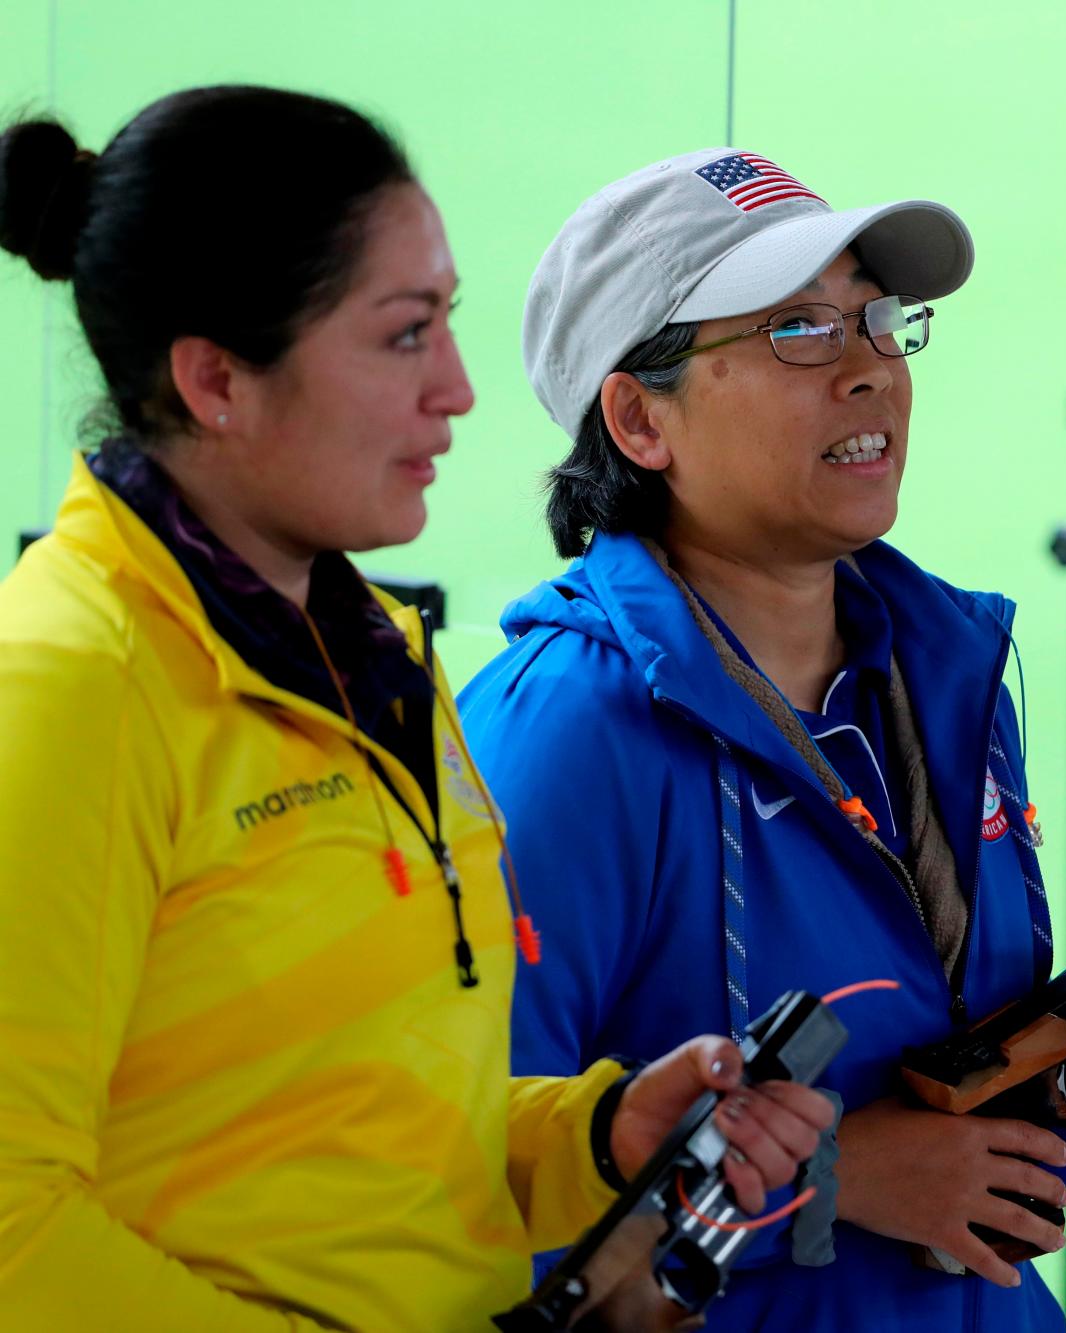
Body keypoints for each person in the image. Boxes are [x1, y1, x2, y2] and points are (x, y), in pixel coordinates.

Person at [0, 89, 828, 1331]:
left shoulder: (370, 651)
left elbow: (372, 1122)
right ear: (216, 378)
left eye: (447, 324)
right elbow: (12, 1230)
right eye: (402, 337)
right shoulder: (74, 685)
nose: (457, 389)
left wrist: (597, 1131)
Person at [455, 147, 1066, 1331]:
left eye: (876, 318)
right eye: (798, 331)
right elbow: (468, 1178)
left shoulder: (938, 669)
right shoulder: (563, 728)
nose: (870, 369)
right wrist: (833, 1182)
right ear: (637, 417)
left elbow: (965, 1155)